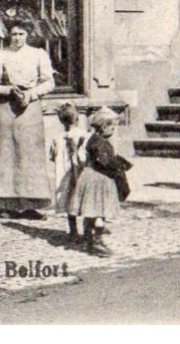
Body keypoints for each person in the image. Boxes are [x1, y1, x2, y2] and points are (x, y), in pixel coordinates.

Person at [0, 22, 56, 218]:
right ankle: (6, 204)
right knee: (7, 153)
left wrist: (31, 94)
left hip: (30, 106)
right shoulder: (1, 55)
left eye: (21, 33)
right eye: (13, 34)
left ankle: (30, 204)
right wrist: (8, 90)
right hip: (7, 105)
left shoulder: (38, 54)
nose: (17, 38)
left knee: (30, 154)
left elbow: (49, 81)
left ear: (28, 34)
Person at [68, 109, 123, 255]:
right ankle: (97, 242)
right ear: (103, 127)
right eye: (112, 127)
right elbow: (104, 161)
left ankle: (89, 237)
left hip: (91, 176)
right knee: (99, 212)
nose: (113, 130)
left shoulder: (93, 139)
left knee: (92, 209)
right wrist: (118, 167)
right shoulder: (100, 143)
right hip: (98, 178)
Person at [50, 103, 89, 244]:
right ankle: (87, 230)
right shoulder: (83, 134)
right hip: (80, 172)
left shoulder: (57, 138)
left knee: (69, 200)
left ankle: (73, 231)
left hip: (64, 176)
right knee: (84, 199)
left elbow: (51, 155)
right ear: (77, 118)